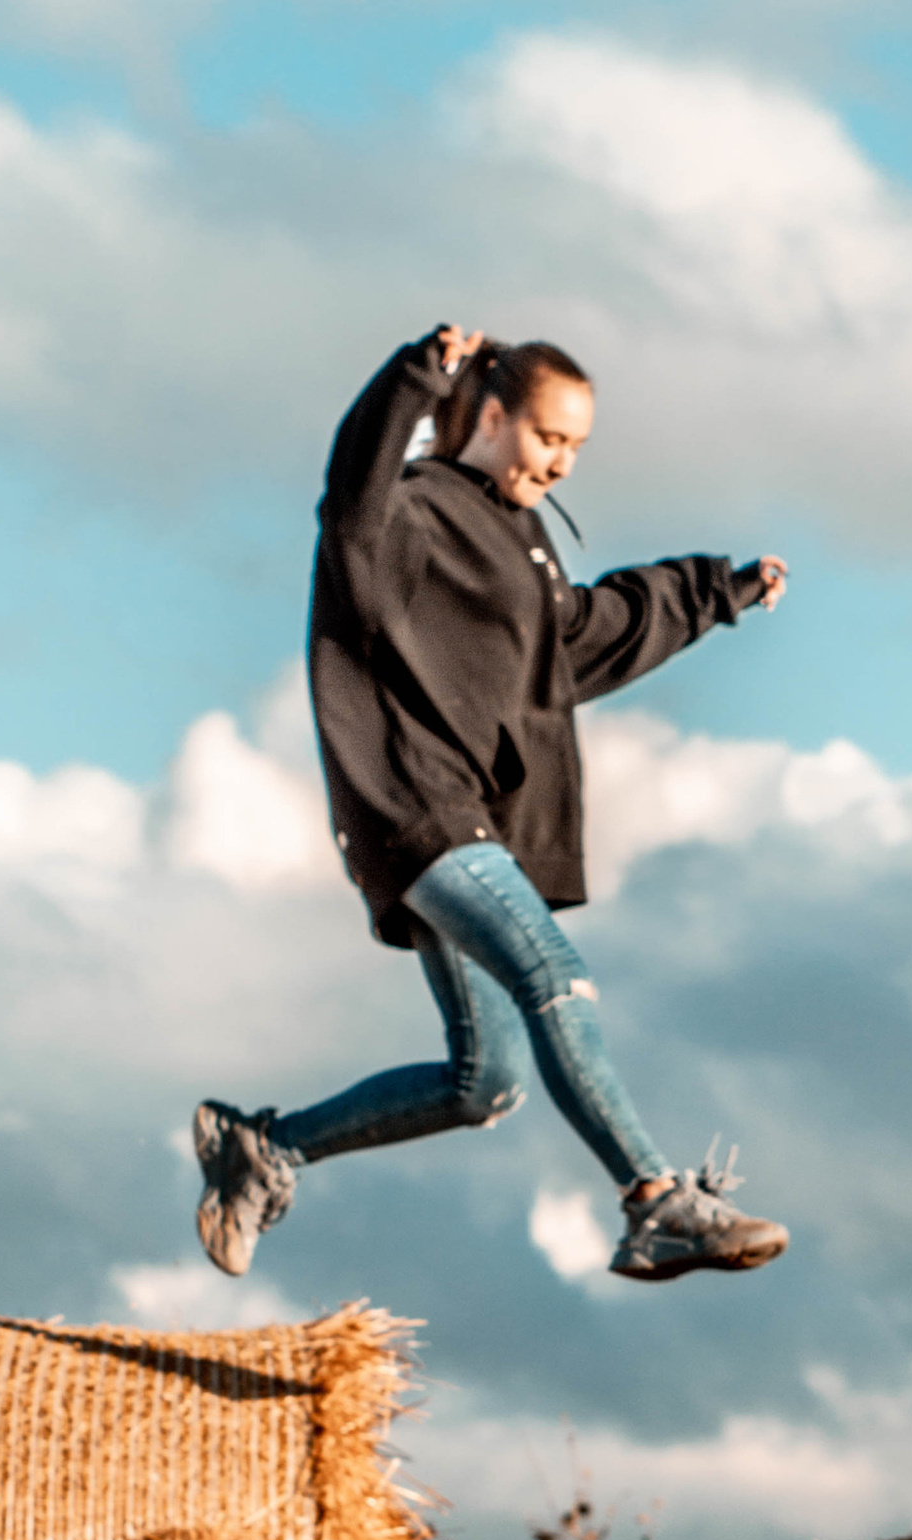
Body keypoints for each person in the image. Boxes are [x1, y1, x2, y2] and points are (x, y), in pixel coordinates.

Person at [195, 322, 793, 1283]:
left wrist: (713, 593)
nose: (561, 464)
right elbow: (348, 503)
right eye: (548, 438)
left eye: (577, 449)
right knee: (555, 974)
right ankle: (655, 1201)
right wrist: (409, 382)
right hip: (418, 809)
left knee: (488, 1084)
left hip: (477, 825)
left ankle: (266, 1150)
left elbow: (586, 635)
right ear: (490, 415)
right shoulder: (407, 512)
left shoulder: (520, 542)